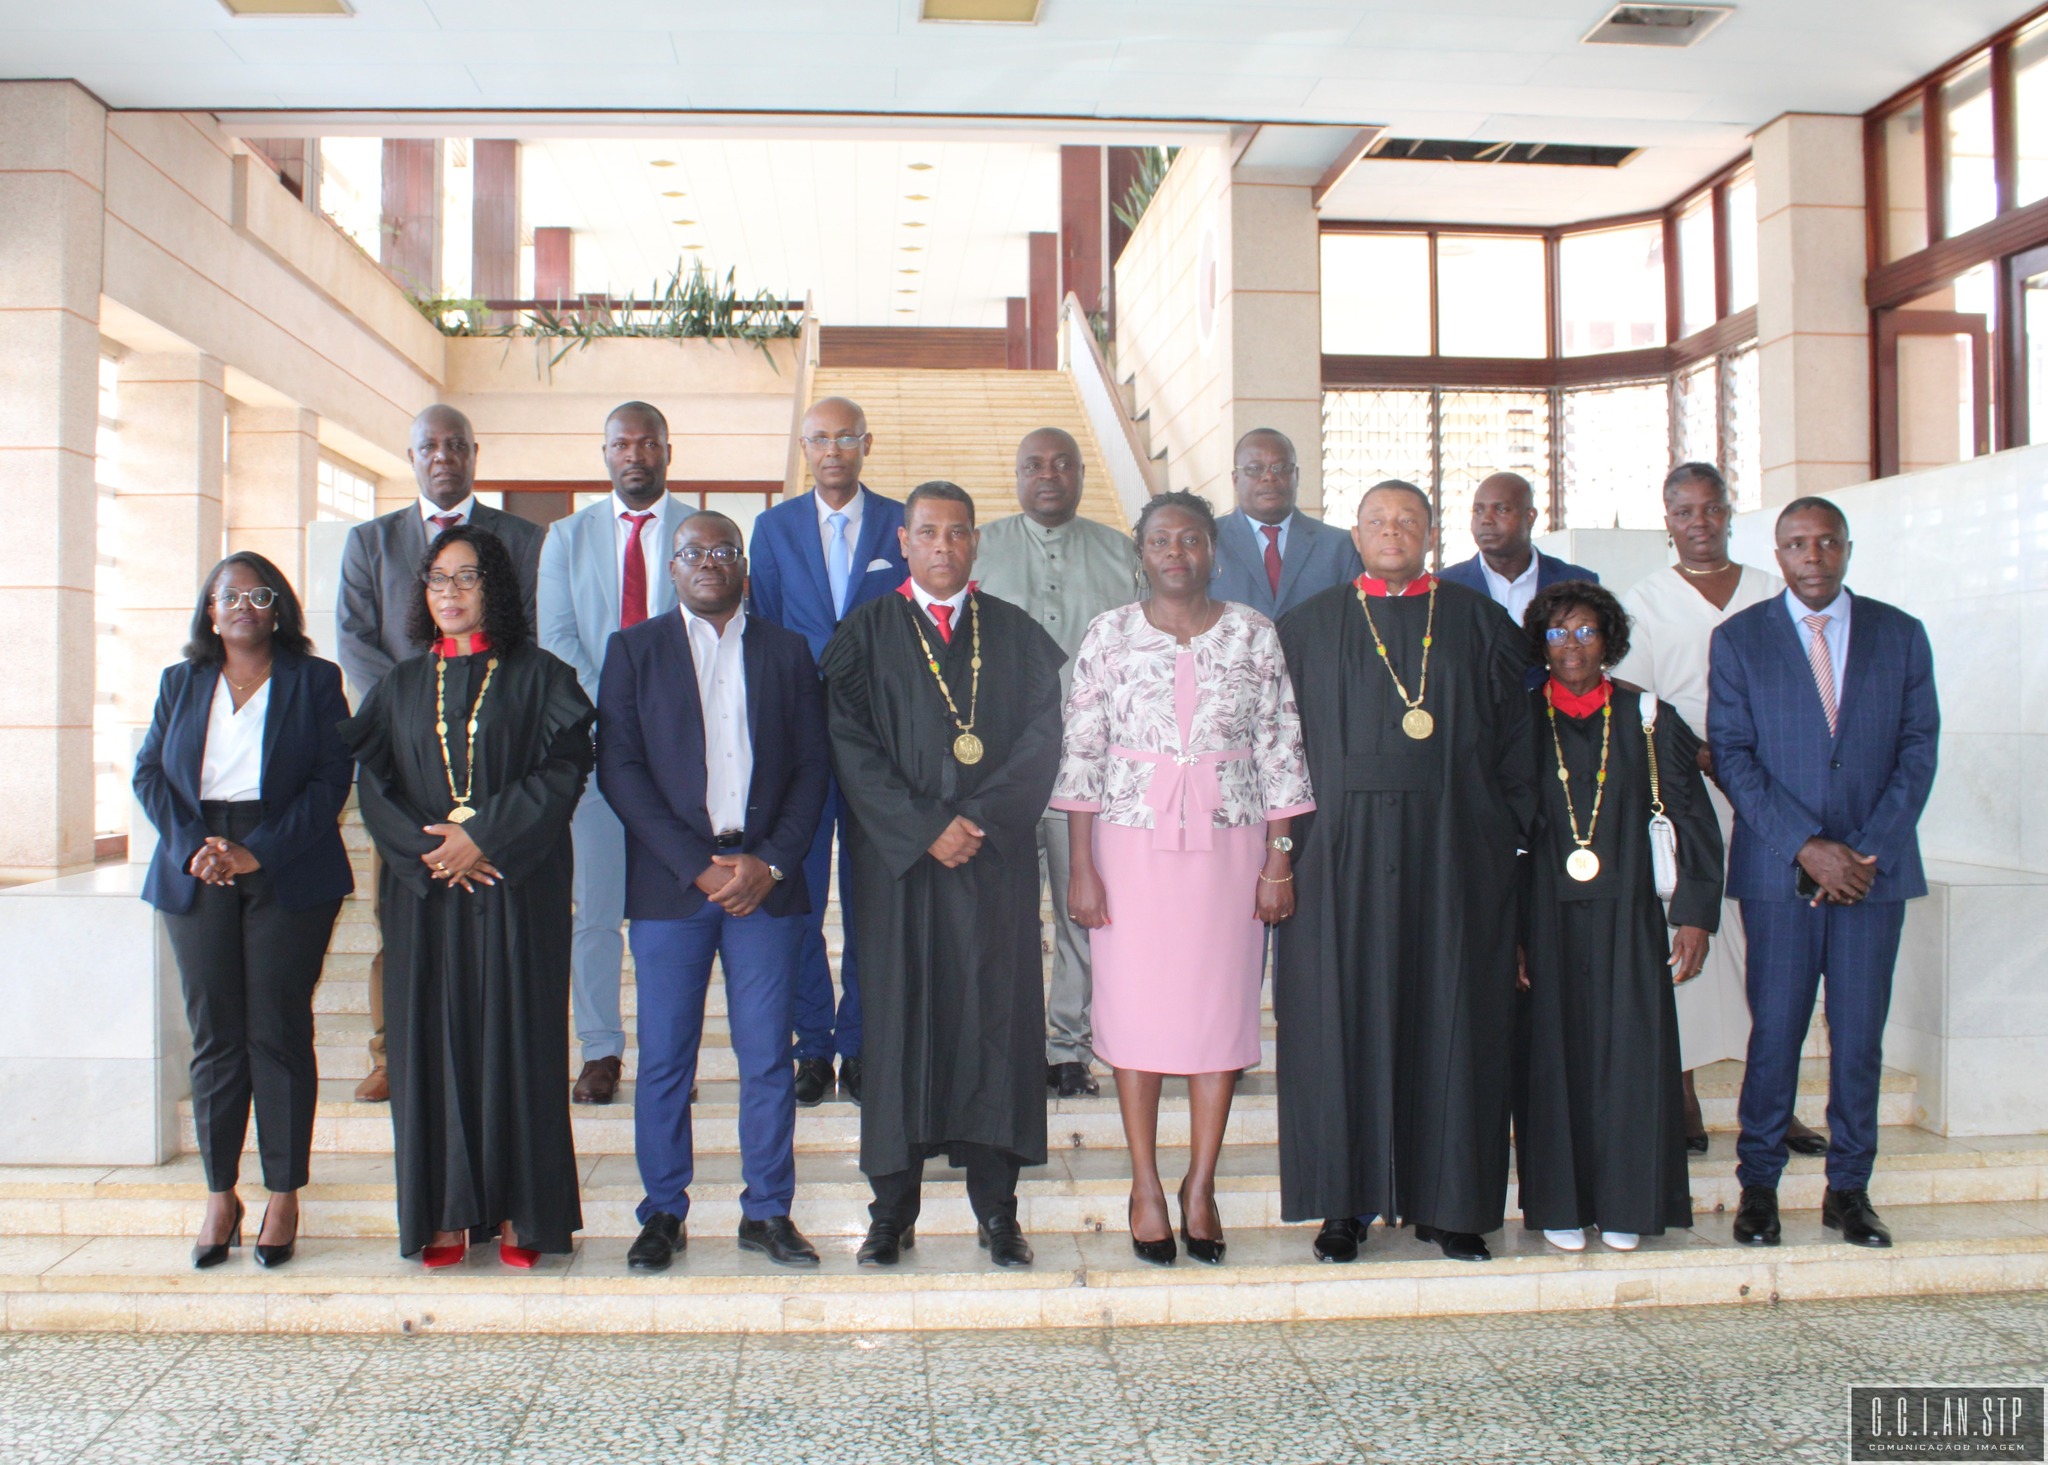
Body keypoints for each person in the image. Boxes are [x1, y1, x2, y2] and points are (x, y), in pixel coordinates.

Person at [1274, 480, 1539, 1264]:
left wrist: (1501, 845)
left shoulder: (1478, 622)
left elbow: (1515, 749)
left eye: (1408, 521)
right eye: (1378, 521)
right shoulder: (1308, 627)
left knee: (1454, 1018)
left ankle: (1452, 1202)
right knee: (1335, 1023)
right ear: (1354, 535)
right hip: (1338, 859)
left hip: (1454, 856)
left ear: (1429, 533)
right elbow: (1279, 751)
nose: (1392, 532)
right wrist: (1285, 852)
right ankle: (1341, 1204)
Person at [1055, 491, 1313, 1267]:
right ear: (1141, 553)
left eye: (1191, 539)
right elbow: (1082, 751)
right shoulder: (1109, 633)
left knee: (1217, 1018)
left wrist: (1279, 856)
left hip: (1231, 847)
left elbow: (1280, 746)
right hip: (1129, 847)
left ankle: (1200, 1185)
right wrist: (1081, 866)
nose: (1177, 552)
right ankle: (1145, 1185)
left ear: (1214, 550)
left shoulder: (1254, 634)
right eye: (1161, 540)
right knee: (1136, 1018)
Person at [820, 481, 1065, 1269]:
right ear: (903, 540)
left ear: (975, 542)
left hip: (989, 868)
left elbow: (1041, 739)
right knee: (897, 1029)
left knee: (995, 1027)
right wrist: (926, 827)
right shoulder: (864, 633)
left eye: (958, 533)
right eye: (928, 533)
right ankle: (891, 1211)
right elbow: (848, 745)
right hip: (900, 872)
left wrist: (979, 820)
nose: (944, 547)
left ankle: (999, 1210)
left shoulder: (1018, 634)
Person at [342, 525, 592, 1267]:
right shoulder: (399, 683)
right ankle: (444, 1210)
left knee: (522, 1041)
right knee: (430, 1047)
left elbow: (566, 766)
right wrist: (434, 853)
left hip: (518, 885)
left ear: (496, 588)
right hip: (428, 896)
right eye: (437, 579)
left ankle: (525, 1212)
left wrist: (485, 836)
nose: (449, 592)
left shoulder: (542, 675)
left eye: (467, 577)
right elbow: (373, 786)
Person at [598, 512, 831, 1272]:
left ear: (743, 566)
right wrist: (696, 864)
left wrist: (768, 861)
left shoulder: (787, 652)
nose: (708, 562)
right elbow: (621, 772)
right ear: (672, 567)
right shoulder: (633, 651)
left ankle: (767, 1210)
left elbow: (810, 768)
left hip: (763, 885)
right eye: (693, 552)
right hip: (675, 888)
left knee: (768, 1057)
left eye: (723, 550)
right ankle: (662, 1210)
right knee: (667, 1056)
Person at [1711, 497, 1939, 1251]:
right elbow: (1733, 756)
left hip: (1876, 876)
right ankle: (1760, 1190)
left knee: (1860, 1037)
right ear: (1777, 554)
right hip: (1781, 874)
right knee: (1775, 1032)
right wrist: (1808, 845)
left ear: (1846, 548)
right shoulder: (1739, 639)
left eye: (1827, 542)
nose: (1814, 556)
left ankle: (1850, 1190)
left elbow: (1917, 749)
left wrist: (1862, 852)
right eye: (1797, 544)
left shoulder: (1900, 634)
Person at [135, 554, 354, 1271]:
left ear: (278, 608)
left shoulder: (314, 681)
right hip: (196, 864)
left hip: (285, 862)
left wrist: (258, 851)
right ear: (209, 609)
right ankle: (220, 1193)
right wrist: (195, 845)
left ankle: (284, 1191)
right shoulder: (182, 680)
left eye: (258, 594)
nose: (242, 605)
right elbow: (148, 773)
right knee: (215, 1033)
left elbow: (330, 780)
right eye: (229, 595)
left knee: (278, 1029)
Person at [1609, 462, 1818, 1156]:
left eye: (1712, 508)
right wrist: (1699, 754)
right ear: (1667, 520)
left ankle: (1772, 1101)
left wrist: (1748, 760)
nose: (1700, 522)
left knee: (1768, 948)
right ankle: (1684, 1091)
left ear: (1731, 513)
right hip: (1684, 792)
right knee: (1689, 935)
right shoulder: (1644, 598)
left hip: (1769, 792)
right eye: (1685, 511)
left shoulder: (1769, 588)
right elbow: (1636, 706)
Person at [336, 404, 543, 1104]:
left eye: (457, 444)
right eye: (430, 445)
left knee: (503, 917)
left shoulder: (520, 538)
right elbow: (356, 641)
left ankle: (493, 1046)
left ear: (475, 452)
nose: (444, 455)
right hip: (404, 766)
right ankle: (394, 1049)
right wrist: (414, 709)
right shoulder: (371, 541)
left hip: (498, 762)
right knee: (398, 913)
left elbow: (530, 633)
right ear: (412, 454)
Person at [1513, 581, 1723, 1254]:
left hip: (1629, 917)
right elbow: (1496, 832)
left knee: (1631, 1058)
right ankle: (1562, 1205)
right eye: (1556, 633)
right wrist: (1505, 934)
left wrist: (1694, 915)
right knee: (1553, 1062)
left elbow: (1694, 818)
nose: (1570, 647)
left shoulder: (1647, 716)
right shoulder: (1519, 719)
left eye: (1585, 633)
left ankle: (1631, 1200)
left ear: (1610, 640)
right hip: (1543, 919)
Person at [749, 396, 909, 1107]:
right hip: (800, 745)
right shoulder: (773, 528)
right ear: (805, 448)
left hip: (882, 744)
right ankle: (812, 1044)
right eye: (820, 438)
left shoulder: (900, 523)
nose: (834, 449)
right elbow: (764, 632)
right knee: (800, 900)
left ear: (866, 444)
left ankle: (864, 1041)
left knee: (874, 901)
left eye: (847, 436)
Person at [537, 401, 695, 1106]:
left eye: (647, 442)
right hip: (597, 750)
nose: (634, 454)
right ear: (604, 453)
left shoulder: (700, 532)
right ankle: (599, 1049)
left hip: (683, 758)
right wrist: (622, 707)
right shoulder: (565, 538)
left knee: (675, 913)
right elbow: (559, 642)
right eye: (620, 444)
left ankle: (672, 1053)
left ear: (667, 450)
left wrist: (658, 714)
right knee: (596, 909)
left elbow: (711, 628)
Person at [974, 426, 1140, 1100]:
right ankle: (1003, 1043)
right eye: (1033, 464)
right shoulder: (978, 547)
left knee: (1084, 910)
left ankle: (1068, 1046)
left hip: (1088, 774)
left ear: (1080, 474)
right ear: (1015, 474)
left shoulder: (1121, 553)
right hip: (1000, 772)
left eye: (1063, 463)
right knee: (1001, 912)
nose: (1049, 475)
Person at [1212, 428, 1364, 620]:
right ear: (1235, 480)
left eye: (1281, 468)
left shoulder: (1341, 547)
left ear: (1296, 476)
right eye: (1255, 468)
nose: (1269, 477)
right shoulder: (1209, 542)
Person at [1438, 471, 1597, 624]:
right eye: (1478, 510)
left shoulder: (1577, 584)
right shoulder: (1443, 587)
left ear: (1530, 517)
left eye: (1501, 509)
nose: (1486, 519)